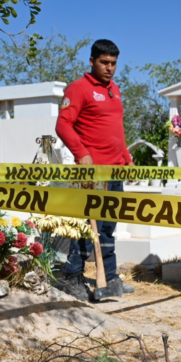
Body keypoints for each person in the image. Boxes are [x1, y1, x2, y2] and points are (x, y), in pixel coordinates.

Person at [54, 39, 136, 301]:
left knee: (108, 227)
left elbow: (116, 132)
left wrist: (126, 158)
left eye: (113, 63)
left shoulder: (116, 90)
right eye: (104, 62)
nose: (109, 68)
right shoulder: (78, 89)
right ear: (92, 62)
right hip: (91, 175)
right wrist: (83, 153)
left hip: (114, 172)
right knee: (83, 229)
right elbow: (63, 125)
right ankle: (72, 278)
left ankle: (110, 278)